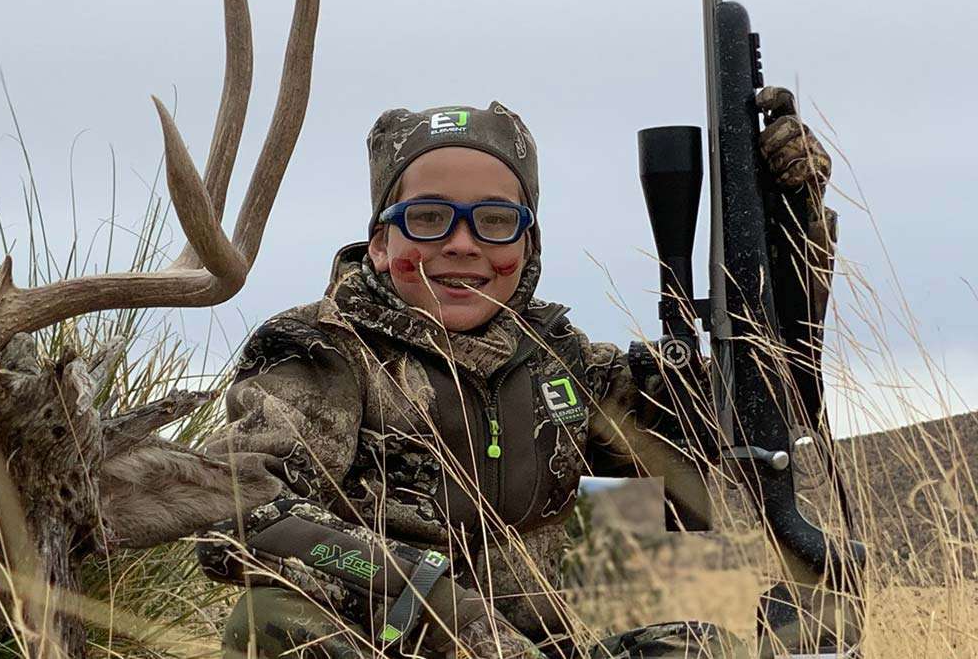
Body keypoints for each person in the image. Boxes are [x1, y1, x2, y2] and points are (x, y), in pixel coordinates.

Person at [195, 92, 835, 658]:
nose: (463, 243)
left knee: (701, 649)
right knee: (271, 623)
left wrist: (790, 237)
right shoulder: (317, 351)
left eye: (496, 221)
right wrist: (447, 610)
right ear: (382, 245)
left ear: (528, 247)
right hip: (386, 642)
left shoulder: (562, 362)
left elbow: (751, 416)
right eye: (427, 218)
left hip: (542, 648)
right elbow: (242, 516)